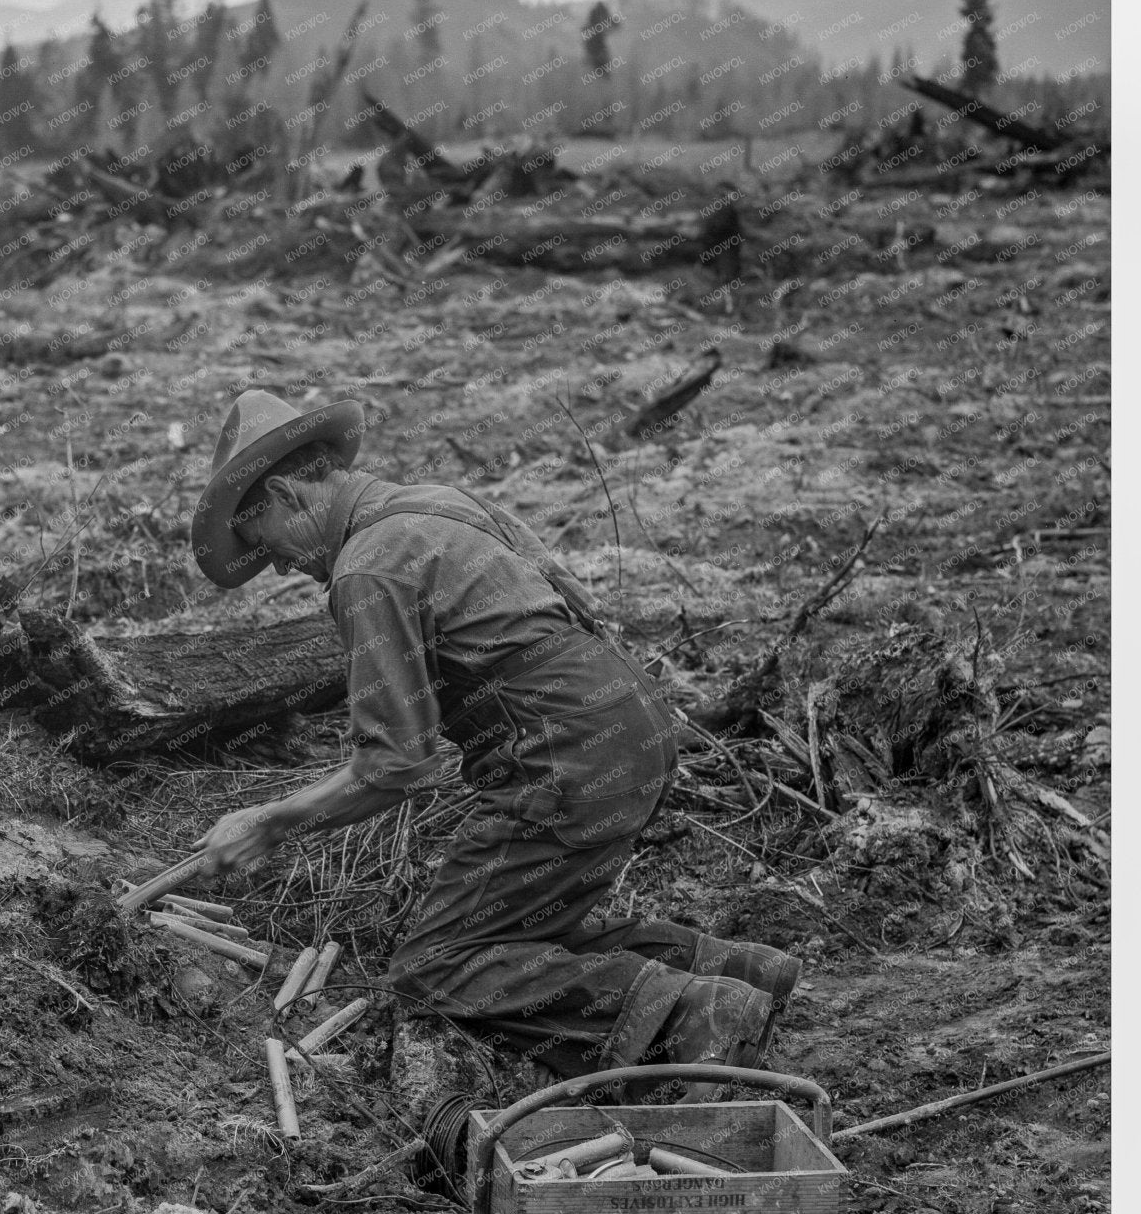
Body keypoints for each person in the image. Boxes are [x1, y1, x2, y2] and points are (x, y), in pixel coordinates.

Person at [186, 389, 800, 1095]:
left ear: (289, 492)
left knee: (437, 968)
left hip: (567, 750)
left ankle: (695, 1015)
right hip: (630, 718)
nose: (280, 565)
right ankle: (740, 972)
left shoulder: (366, 568)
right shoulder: (435, 501)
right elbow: (574, 598)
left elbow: (395, 765)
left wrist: (270, 821)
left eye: (267, 544)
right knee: (515, 935)